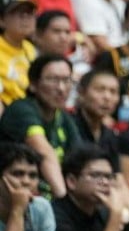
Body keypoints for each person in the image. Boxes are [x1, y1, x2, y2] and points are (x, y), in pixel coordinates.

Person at [0, 55, 79, 198]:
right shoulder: (21, 109)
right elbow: (43, 151)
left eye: (66, 80)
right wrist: (64, 201)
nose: (61, 88)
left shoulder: (65, 118)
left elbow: (81, 160)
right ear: (33, 84)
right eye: (53, 80)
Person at [52, 145, 124, 231]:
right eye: (96, 175)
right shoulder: (54, 215)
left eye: (109, 177)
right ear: (71, 181)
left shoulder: (103, 212)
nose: (104, 182)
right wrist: (116, 214)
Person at [0, 144, 61, 231]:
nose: (26, 181)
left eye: (33, 176)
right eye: (17, 174)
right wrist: (17, 210)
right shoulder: (21, 207)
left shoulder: (41, 207)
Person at [0, 0, 38, 112]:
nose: (26, 18)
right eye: (18, 13)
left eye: (29, 13)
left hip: (31, 110)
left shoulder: (31, 49)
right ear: (2, 20)